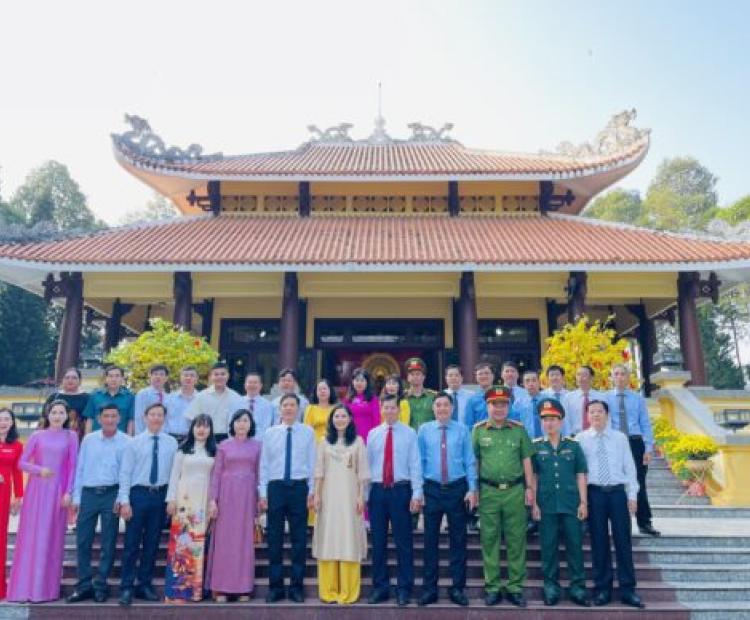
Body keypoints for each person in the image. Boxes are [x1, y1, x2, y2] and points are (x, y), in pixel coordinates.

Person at [8, 400, 78, 602]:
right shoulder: (37, 435)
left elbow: (73, 465)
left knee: (52, 538)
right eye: (54, 412)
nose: (57, 416)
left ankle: (46, 590)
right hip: (37, 491)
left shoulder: (71, 436)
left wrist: (68, 492)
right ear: (47, 415)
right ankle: (24, 589)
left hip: (58, 492)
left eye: (61, 412)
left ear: (67, 416)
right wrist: (39, 470)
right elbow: (21, 463)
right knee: (31, 537)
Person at [577, 399, 644, 608]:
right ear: (587, 416)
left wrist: (632, 495)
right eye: (592, 412)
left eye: (599, 411)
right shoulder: (581, 439)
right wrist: (582, 501)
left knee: (623, 541)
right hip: (594, 494)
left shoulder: (620, 438)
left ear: (607, 415)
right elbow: (579, 472)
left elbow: (629, 467)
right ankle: (602, 590)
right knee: (598, 543)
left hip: (617, 494)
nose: (596, 415)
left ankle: (628, 590)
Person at [472, 386, 534, 608]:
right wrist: (474, 489)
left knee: (516, 539)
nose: (499, 409)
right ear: (487, 406)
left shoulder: (518, 430)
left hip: (515, 491)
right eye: (494, 404)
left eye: (503, 404)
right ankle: (493, 587)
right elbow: (475, 462)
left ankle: (515, 587)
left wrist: (530, 488)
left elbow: (527, 460)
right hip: (488, 492)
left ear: (508, 407)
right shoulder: (478, 431)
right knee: (490, 539)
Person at [417, 392, 477, 607]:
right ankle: (429, 589)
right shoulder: (424, 430)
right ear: (433, 408)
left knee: (458, 540)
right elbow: (419, 461)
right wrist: (419, 491)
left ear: (452, 408)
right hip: (432, 489)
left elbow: (470, 461)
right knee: (429, 541)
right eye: (438, 405)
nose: (442, 408)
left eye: (445, 405)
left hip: (457, 489)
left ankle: (457, 588)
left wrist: (472, 488)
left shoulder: (462, 430)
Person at [67, 403, 130, 604]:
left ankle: (101, 585)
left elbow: (126, 473)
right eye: (106, 416)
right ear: (99, 418)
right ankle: (84, 585)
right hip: (88, 494)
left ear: (119, 418)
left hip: (111, 494)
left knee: (108, 542)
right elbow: (80, 468)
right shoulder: (89, 439)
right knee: (83, 541)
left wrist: (121, 498)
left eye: (113, 416)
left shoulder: (126, 442)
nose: (110, 419)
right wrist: (77, 497)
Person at [117, 402, 178, 606]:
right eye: (152, 414)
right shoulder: (133, 443)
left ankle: (144, 584)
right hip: (138, 495)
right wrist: (124, 501)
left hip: (159, 496)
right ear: (145, 417)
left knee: (152, 543)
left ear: (164, 418)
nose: (156, 418)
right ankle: (127, 586)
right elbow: (125, 473)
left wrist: (171, 498)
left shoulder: (172, 443)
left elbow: (174, 474)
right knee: (131, 544)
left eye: (160, 415)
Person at [531, 398, 589, 607]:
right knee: (548, 548)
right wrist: (534, 504)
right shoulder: (536, 446)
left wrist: (583, 503)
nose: (549, 423)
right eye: (545, 419)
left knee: (575, 547)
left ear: (561, 421)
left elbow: (581, 474)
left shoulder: (573, 446)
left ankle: (578, 588)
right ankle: (551, 587)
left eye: (553, 419)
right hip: (546, 505)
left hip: (571, 504)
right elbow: (534, 477)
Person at [366, 394, 423, 607]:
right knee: (378, 542)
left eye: (393, 408)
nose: (389, 411)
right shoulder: (373, 434)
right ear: (381, 409)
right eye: (386, 407)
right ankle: (380, 588)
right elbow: (367, 466)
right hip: (378, 491)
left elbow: (415, 464)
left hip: (401, 491)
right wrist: (365, 496)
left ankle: (404, 589)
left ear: (399, 410)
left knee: (403, 542)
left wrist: (417, 493)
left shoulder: (409, 433)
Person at [259, 394, 316, 603]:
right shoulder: (270, 433)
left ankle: (296, 587)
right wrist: (263, 493)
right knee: (274, 539)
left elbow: (312, 463)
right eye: (285, 405)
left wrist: (312, 491)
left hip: (299, 488)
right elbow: (264, 465)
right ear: (280, 409)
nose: (289, 408)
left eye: (292, 405)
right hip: (276, 487)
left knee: (299, 540)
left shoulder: (308, 432)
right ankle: (275, 587)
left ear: (298, 409)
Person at [312, 404, 370, 604]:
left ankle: (348, 591)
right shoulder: (323, 442)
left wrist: (361, 497)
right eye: (336, 416)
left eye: (343, 416)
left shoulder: (358, 442)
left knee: (348, 539)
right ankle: (328, 591)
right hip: (328, 497)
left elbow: (363, 473)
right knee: (328, 538)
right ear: (331, 420)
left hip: (350, 497)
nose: (340, 419)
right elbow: (319, 471)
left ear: (350, 419)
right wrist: (317, 495)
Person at [206, 409, 262, 601]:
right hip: (226, 496)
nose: (241, 424)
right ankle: (221, 588)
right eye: (238, 421)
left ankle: (242, 588)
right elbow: (216, 474)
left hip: (247, 497)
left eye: (245, 420)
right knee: (224, 541)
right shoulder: (223, 445)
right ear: (232, 424)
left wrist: (260, 500)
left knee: (243, 542)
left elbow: (260, 474)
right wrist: (213, 500)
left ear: (251, 424)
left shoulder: (258, 446)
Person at [164, 413, 216, 603]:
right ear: (192, 428)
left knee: (199, 545)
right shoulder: (183, 450)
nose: (201, 430)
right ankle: (178, 591)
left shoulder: (214, 452)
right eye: (198, 426)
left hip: (204, 501)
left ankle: (196, 591)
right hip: (184, 502)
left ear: (211, 430)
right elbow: (174, 476)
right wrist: (171, 500)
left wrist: (214, 502)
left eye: (205, 426)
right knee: (183, 544)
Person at [607, 363, 659, 537]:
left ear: (628, 377)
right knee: (616, 483)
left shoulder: (637, 399)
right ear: (611, 378)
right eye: (616, 374)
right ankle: (620, 523)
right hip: (615, 443)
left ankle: (645, 522)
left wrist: (648, 448)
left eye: (623, 374)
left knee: (638, 483)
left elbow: (645, 423)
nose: (619, 377)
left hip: (635, 442)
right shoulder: (606, 398)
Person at [304, 379, 338, 526]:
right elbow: (306, 431)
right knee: (316, 482)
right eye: (320, 389)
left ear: (330, 391)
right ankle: (313, 519)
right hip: (315, 449)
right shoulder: (311, 409)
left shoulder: (336, 408)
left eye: (325, 389)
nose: (322, 391)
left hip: (334, 449)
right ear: (316, 392)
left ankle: (332, 516)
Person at [185, 362, 243, 443]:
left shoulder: (236, 397)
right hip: (206, 438)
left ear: (228, 376)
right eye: (216, 374)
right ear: (211, 376)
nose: (219, 377)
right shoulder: (201, 396)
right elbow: (191, 419)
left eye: (223, 374)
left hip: (229, 439)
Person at [0, 408, 23, 600]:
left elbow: (17, 471)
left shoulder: (17, 445)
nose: (3, 422)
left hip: (4, 494)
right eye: (0, 419)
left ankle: (1, 587)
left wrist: (19, 496)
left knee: (1, 539)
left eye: (7, 419)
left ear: (12, 422)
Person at [83, 365, 134, 434]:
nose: (114, 379)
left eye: (117, 376)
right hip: (98, 438)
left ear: (122, 378)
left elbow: (130, 421)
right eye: (110, 376)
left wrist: (129, 438)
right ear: (106, 378)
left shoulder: (130, 397)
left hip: (120, 438)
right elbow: (90, 420)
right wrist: (87, 438)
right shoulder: (95, 395)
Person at [44, 366, 89, 443]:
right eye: (67, 377)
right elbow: (44, 418)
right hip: (55, 437)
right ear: (62, 380)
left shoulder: (87, 398)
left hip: (79, 437)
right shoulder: (54, 397)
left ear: (80, 381)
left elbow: (89, 420)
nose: (70, 380)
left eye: (74, 378)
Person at [562, 365, 604, 436]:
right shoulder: (568, 397)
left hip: (596, 435)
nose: (580, 378)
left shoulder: (601, 397)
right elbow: (566, 420)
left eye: (584, 375)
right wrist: (569, 438)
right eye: (578, 375)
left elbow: (606, 418)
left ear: (591, 378)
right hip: (575, 436)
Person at [163, 366, 199, 442]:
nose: (188, 378)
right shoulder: (169, 399)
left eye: (192, 375)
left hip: (192, 439)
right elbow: (164, 419)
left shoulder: (201, 399)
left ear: (196, 379)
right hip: (170, 438)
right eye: (185, 375)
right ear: (180, 378)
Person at [344, 368, 380, 443]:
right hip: (350, 435)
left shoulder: (373, 399)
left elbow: (376, 420)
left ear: (367, 382)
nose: (359, 383)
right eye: (357, 380)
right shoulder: (348, 399)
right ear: (352, 382)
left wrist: (374, 437)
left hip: (368, 437)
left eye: (362, 380)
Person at [134, 364, 169, 434]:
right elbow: (139, 417)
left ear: (166, 378)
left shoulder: (168, 396)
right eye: (155, 374)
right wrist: (139, 436)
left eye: (161, 374)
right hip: (146, 434)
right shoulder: (143, 394)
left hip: (163, 435)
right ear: (150, 376)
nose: (158, 377)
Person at [242, 371, 274, 440]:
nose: (252, 385)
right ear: (245, 385)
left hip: (260, 442)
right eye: (250, 382)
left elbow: (266, 428)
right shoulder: (236, 403)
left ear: (261, 386)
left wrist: (254, 442)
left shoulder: (268, 405)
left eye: (255, 383)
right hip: (239, 442)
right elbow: (231, 425)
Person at [405, 358, 435, 431]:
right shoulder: (402, 397)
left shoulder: (433, 396)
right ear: (408, 377)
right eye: (412, 374)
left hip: (429, 435)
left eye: (418, 374)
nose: (415, 376)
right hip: (408, 436)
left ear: (423, 377)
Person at [514, 369, 545, 440]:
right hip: (527, 440)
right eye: (527, 381)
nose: (531, 384)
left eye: (534, 380)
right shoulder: (518, 403)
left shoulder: (548, 400)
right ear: (523, 384)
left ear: (539, 382)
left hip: (546, 440)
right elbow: (515, 423)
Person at [464, 362, 495, 428]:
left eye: (486, 373)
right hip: (480, 433)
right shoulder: (471, 400)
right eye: (480, 374)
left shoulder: (502, 396)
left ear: (493, 376)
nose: (483, 376)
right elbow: (468, 424)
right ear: (476, 377)